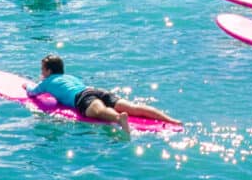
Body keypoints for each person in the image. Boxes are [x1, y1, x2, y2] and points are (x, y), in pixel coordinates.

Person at [26, 54, 177, 130]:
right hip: (93, 90)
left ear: (49, 71)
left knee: (100, 111)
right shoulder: (69, 77)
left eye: (42, 69)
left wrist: (26, 85)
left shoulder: (47, 82)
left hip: (81, 98)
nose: (41, 72)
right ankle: (170, 119)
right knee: (132, 107)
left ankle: (119, 119)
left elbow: (33, 92)